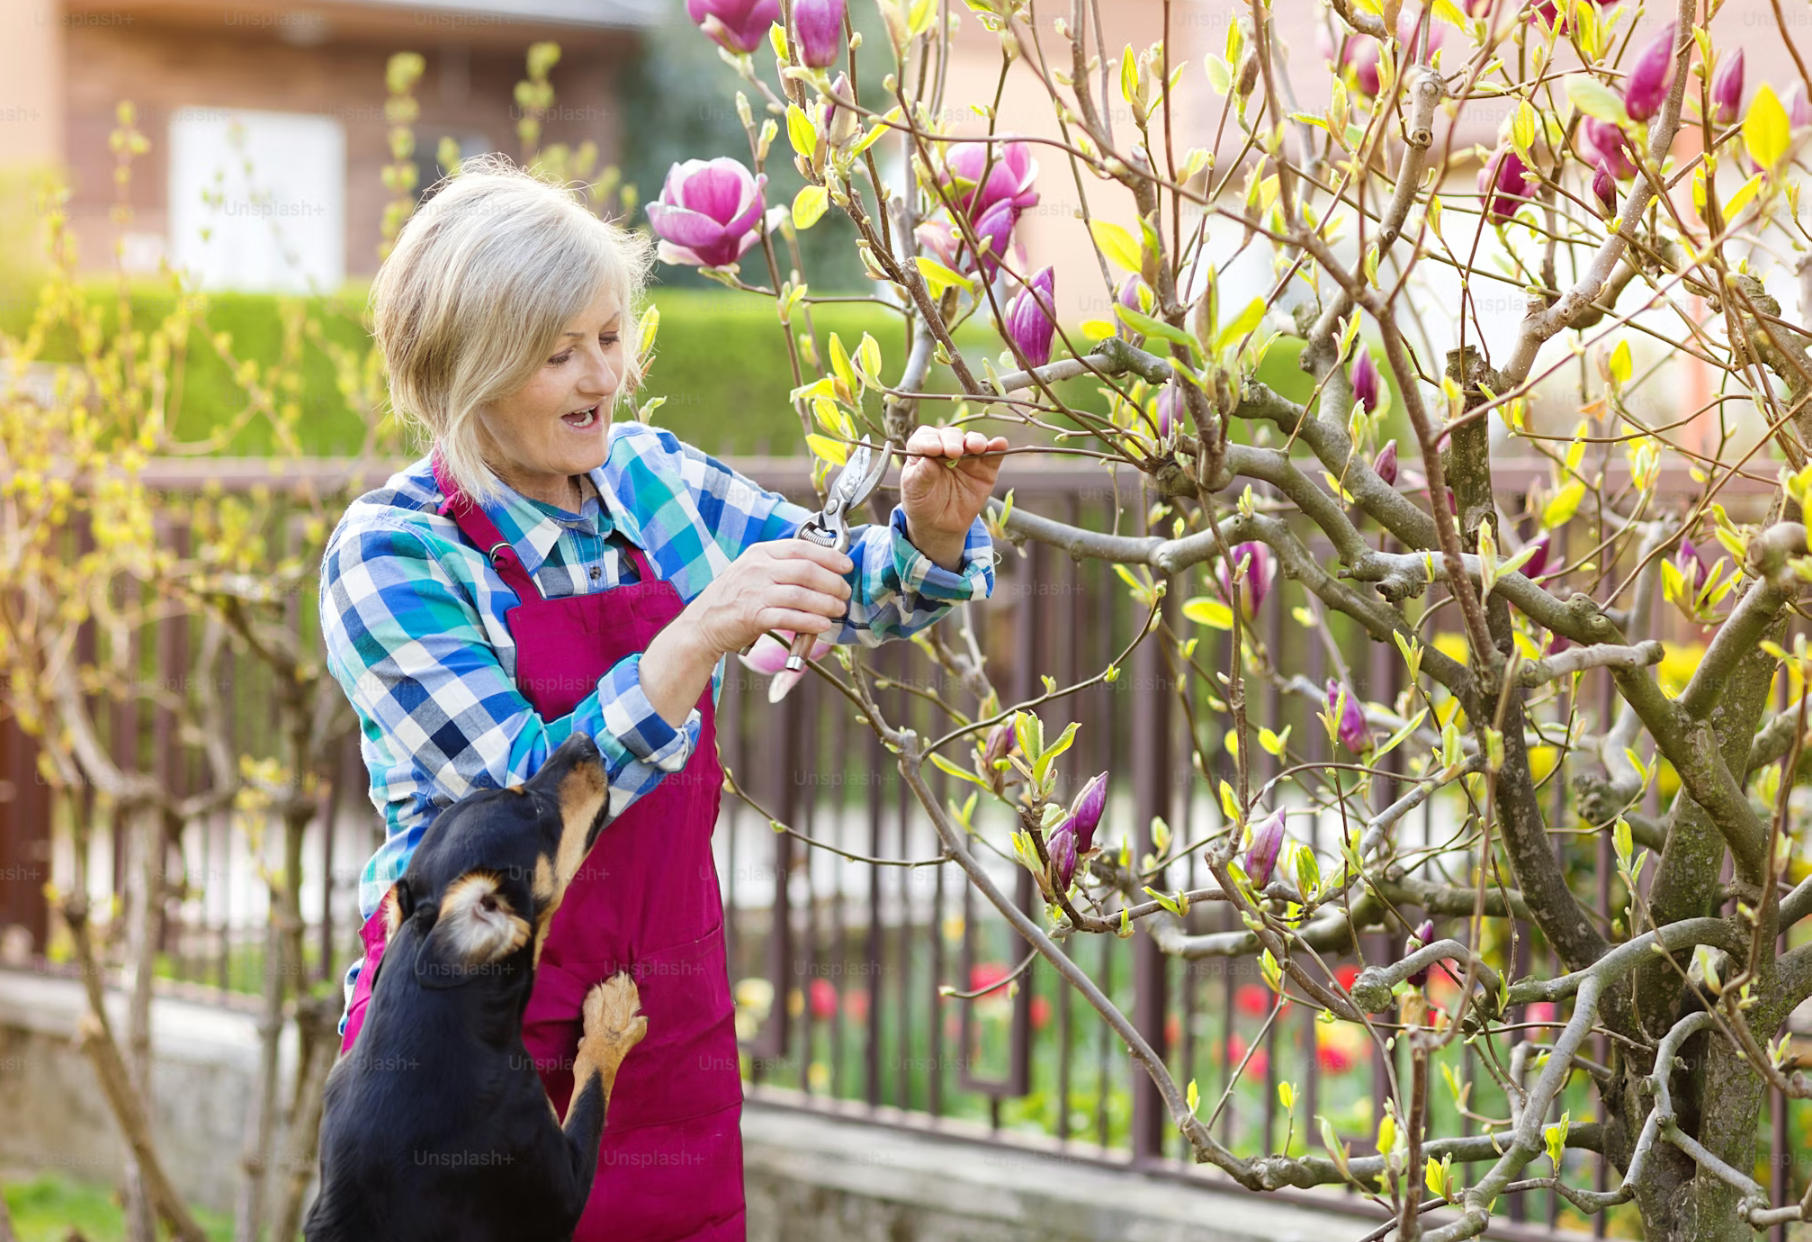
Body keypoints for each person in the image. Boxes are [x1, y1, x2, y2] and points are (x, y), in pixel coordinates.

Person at [316, 154, 1008, 1242]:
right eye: (558, 353)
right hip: (456, 1058)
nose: (603, 375)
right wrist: (692, 636)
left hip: (661, 1023)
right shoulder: (396, 555)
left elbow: (835, 584)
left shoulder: (655, 480)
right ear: (470, 372)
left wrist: (929, 533)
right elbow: (523, 809)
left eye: (608, 335)